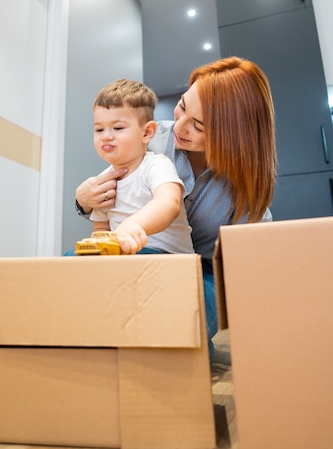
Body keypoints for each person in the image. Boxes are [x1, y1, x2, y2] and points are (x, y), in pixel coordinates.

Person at [74, 57, 277, 359]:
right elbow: (108, 202)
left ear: (234, 136)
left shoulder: (247, 194)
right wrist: (82, 201)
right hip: (137, 257)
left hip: (200, 274)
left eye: (198, 125)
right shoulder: (152, 137)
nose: (179, 127)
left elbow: (248, 278)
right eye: (182, 106)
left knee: (174, 318)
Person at [83, 78, 194, 254]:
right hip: (126, 257)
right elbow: (101, 227)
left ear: (147, 132)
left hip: (166, 257)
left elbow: (169, 203)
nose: (106, 136)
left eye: (118, 128)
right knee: (70, 257)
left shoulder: (157, 165)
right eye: (99, 129)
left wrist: (132, 226)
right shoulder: (104, 182)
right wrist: (99, 246)